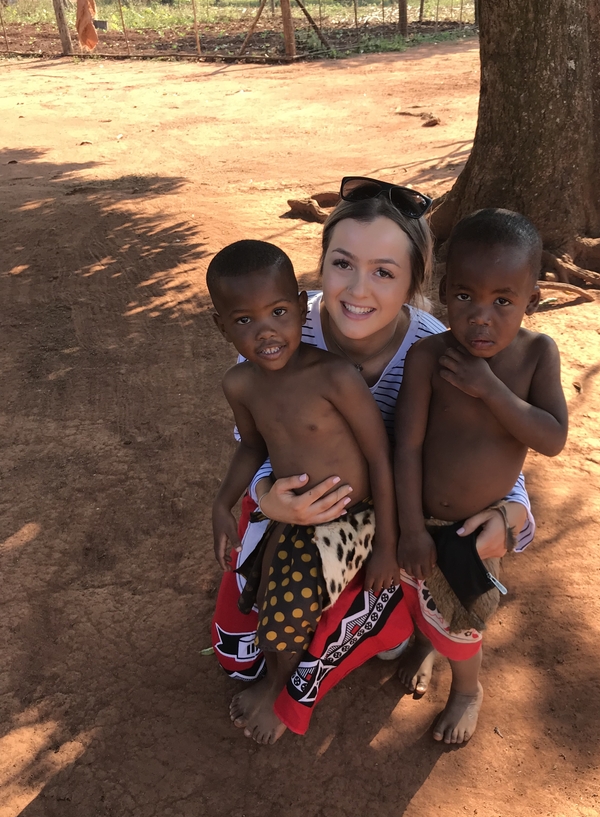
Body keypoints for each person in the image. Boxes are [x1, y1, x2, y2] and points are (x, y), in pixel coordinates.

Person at [210, 177, 537, 744]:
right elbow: (260, 436)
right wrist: (265, 496)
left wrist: (513, 522)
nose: (358, 289)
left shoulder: (439, 349)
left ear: (415, 283)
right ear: (320, 268)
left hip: (397, 521)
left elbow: (493, 454)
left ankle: (408, 635)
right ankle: (352, 618)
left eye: (384, 271)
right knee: (239, 656)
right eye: (343, 264)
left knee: (393, 623)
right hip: (310, 510)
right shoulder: (283, 324)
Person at [207, 239, 399, 743]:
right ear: (220, 325)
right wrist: (221, 503)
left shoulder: (334, 376)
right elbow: (251, 447)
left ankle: (278, 691)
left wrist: (386, 545)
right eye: (243, 321)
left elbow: (382, 456)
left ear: (300, 304)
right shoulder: (240, 385)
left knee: (288, 607)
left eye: (277, 312)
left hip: (351, 515)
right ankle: (273, 668)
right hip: (290, 512)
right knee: (261, 587)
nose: (266, 331)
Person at [394, 208, 569, 743]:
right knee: (420, 595)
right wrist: (412, 529)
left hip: (477, 530)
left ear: (531, 300)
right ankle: (425, 646)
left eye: (503, 301)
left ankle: (467, 688)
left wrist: (490, 388)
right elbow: (407, 446)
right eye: (465, 297)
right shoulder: (428, 356)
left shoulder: (537, 355)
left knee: (465, 618)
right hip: (421, 519)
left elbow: (552, 438)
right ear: (445, 291)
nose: (481, 318)